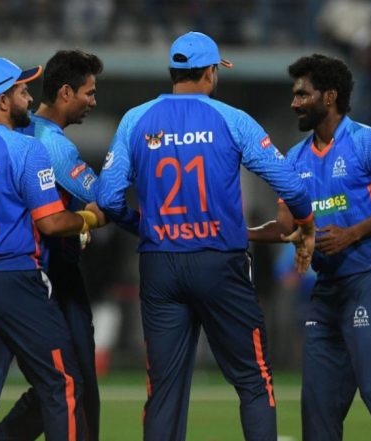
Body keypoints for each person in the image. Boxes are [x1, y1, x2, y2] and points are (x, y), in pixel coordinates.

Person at [96, 31, 316, 441]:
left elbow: (107, 198)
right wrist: (306, 225)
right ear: (210, 72)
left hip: (160, 262)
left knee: (164, 390)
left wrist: (141, 224)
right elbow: (292, 186)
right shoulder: (231, 119)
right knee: (253, 380)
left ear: (174, 72)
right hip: (220, 262)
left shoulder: (135, 119)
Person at [249, 54, 371, 441]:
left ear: (329, 97)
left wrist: (353, 233)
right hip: (327, 290)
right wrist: (234, 232)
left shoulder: (368, 142)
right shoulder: (293, 159)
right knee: (318, 405)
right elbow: (284, 227)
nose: (294, 102)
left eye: (302, 94)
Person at [0, 57, 101, 441]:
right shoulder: (25, 150)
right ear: (3, 101)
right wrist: (91, 219)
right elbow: (53, 223)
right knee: (63, 382)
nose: (30, 98)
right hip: (13, 279)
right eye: (23, 91)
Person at [0, 49, 137, 441]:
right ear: (66, 92)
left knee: (54, 383)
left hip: (15, 271)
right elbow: (106, 200)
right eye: (89, 93)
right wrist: (151, 228)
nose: (93, 101)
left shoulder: (16, 132)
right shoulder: (51, 144)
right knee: (78, 381)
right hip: (56, 274)